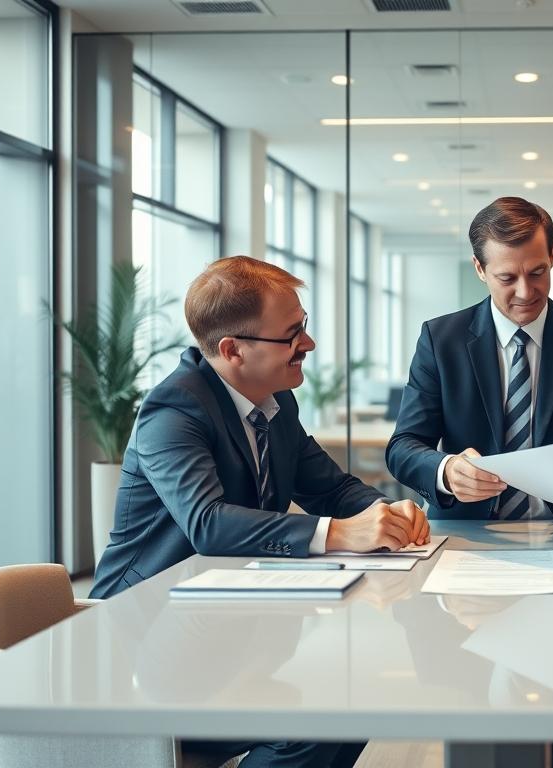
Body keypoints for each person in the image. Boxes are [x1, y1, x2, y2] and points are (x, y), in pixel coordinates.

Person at [91, 255, 429, 768]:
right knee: (312, 730)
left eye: (305, 328)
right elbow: (208, 523)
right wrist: (341, 533)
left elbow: (331, 488)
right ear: (232, 350)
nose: (308, 345)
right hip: (151, 640)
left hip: (227, 624)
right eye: (291, 335)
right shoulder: (173, 410)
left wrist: (388, 512)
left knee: (359, 706)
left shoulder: (275, 403)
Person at [386, 196, 553, 522]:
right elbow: (403, 446)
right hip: (466, 530)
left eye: (538, 272)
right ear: (480, 269)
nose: (526, 292)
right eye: (507, 278)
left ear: (552, 256)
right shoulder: (441, 339)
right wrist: (447, 470)